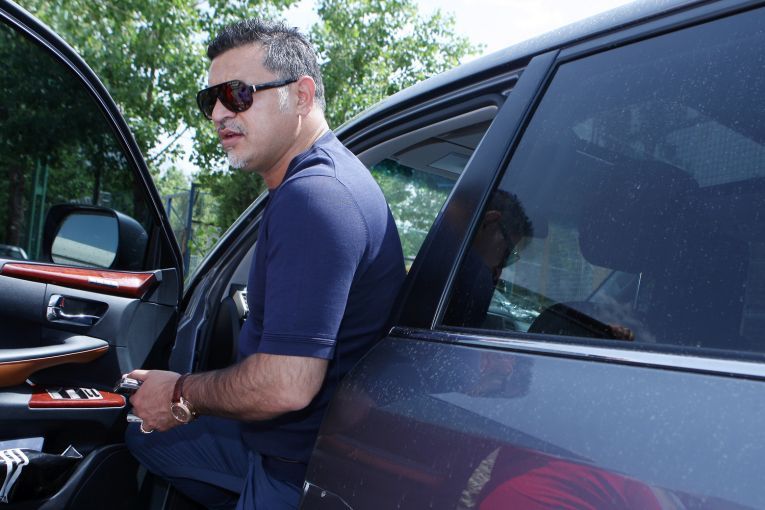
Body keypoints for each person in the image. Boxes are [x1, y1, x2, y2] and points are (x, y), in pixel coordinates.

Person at [125, 19, 405, 510]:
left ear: (301, 96)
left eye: (236, 94)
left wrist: (180, 395)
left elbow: (286, 385)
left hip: (295, 469)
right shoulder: (324, 180)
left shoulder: (314, 197)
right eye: (209, 100)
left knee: (145, 432)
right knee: (144, 438)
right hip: (302, 447)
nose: (218, 114)